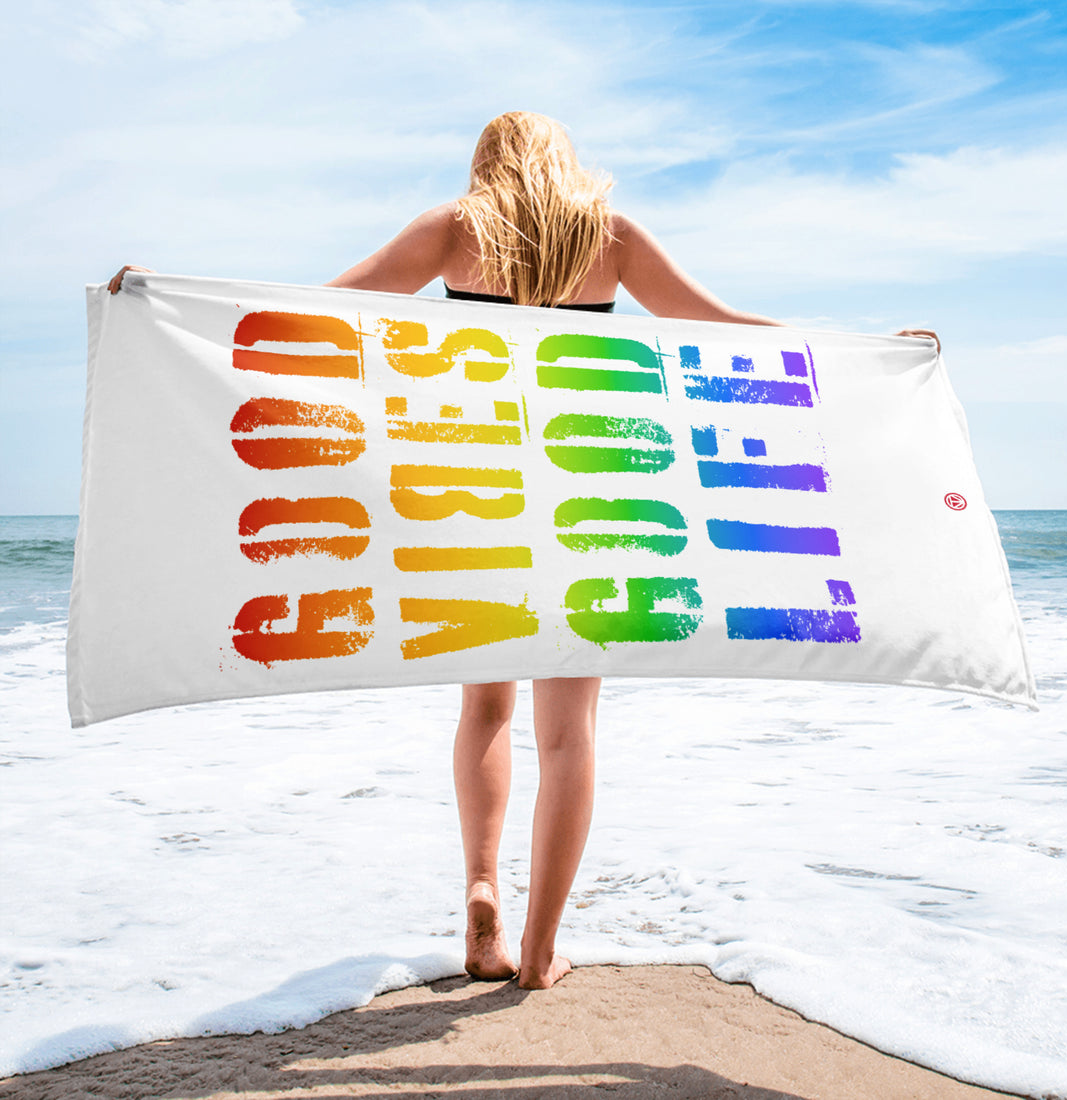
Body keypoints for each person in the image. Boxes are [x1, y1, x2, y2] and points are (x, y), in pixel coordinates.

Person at [109, 111, 937, 990]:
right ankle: (539, 953)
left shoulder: (454, 230)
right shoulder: (610, 236)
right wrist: (870, 355)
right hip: (592, 492)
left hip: (476, 490)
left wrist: (170, 303)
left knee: (486, 709)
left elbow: (318, 313)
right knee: (570, 735)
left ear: (486, 164)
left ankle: (481, 893)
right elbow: (724, 326)